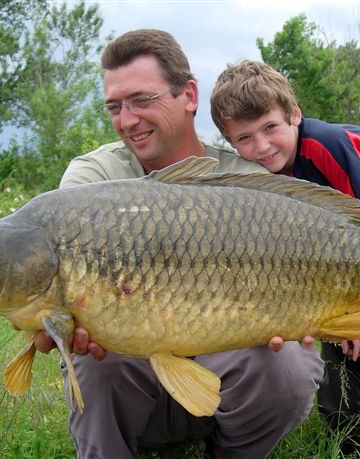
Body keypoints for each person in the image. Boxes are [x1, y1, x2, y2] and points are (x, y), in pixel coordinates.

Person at [35, 30, 324, 459]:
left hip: (224, 370)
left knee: (288, 363)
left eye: (142, 100)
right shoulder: (92, 179)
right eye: (115, 106)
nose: (128, 119)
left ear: (189, 95)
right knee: (96, 359)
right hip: (133, 376)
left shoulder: (245, 180)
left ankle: (230, 450)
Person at [210, 59, 360, 458]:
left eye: (270, 128)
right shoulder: (260, 172)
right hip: (342, 254)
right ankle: (340, 433)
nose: (262, 146)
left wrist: (359, 305)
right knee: (333, 336)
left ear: (294, 114)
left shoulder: (327, 144)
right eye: (245, 138)